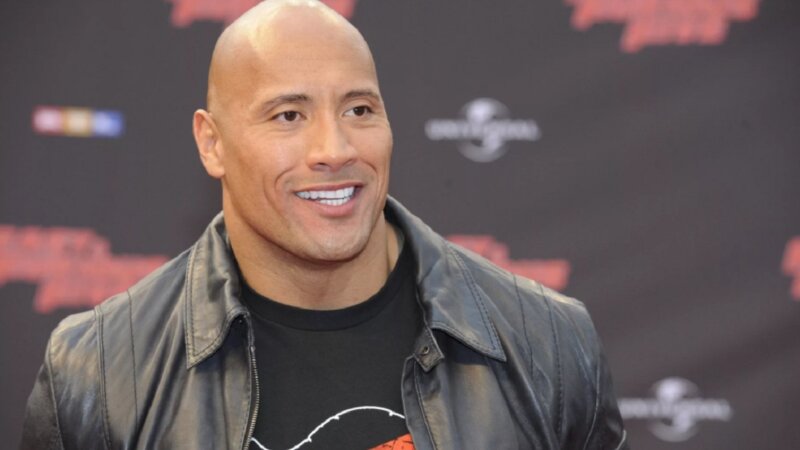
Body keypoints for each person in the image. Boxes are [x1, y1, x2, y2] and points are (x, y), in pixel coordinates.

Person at [20, 1, 628, 449]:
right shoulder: (98, 374)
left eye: (359, 109)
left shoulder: (549, 346)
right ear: (212, 143)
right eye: (289, 115)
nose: (335, 149)